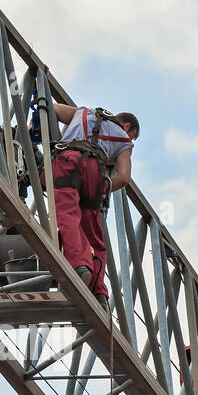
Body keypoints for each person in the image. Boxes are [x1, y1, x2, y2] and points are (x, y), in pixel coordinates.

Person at [49, 103, 139, 308]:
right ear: (127, 127)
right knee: (94, 233)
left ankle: (80, 266)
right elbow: (124, 178)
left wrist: (47, 141)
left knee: (68, 216)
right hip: (94, 170)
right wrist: (104, 187)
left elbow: (51, 108)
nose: (130, 140)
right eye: (132, 136)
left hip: (67, 159)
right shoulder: (124, 140)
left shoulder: (83, 112)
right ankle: (99, 291)